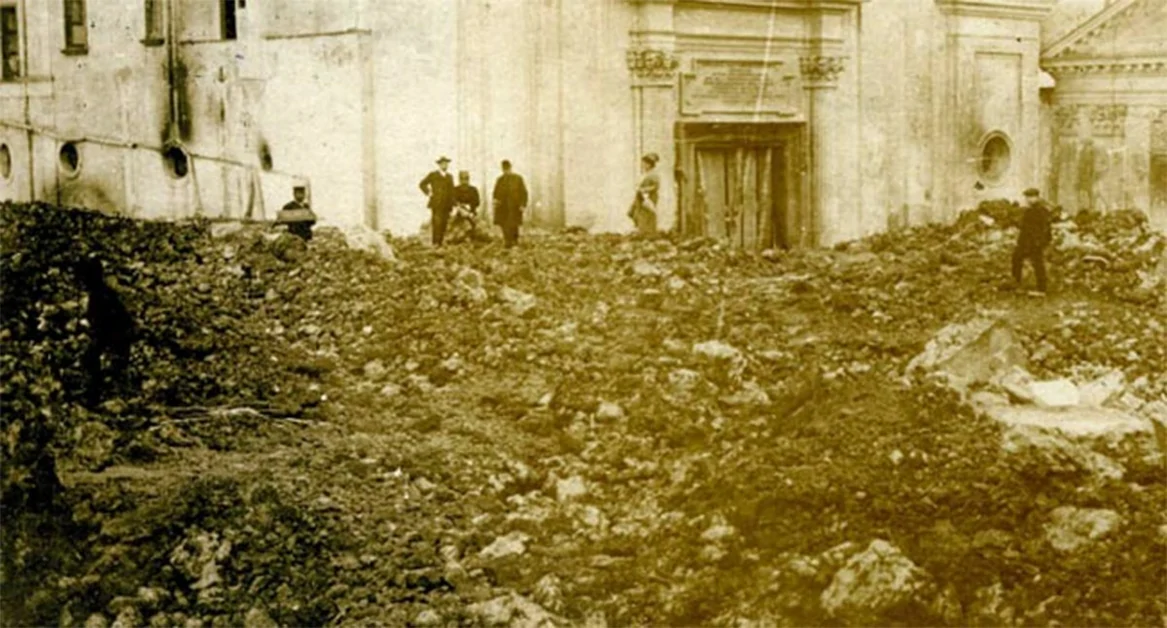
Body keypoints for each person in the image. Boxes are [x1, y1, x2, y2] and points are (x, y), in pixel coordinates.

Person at [74, 257, 135, 406]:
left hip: (115, 335)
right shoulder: (103, 292)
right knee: (95, 360)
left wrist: (90, 332)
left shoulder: (99, 296)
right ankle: (99, 394)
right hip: (117, 334)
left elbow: (103, 325)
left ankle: (94, 397)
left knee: (91, 359)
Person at [1013, 187, 1054, 295]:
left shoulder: (1040, 211)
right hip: (1029, 242)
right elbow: (1025, 229)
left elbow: (1045, 228)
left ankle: (1041, 288)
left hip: (1034, 242)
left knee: (1037, 263)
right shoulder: (1032, 210)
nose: (1028, 200)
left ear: (1036, 197)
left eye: (1030, 197)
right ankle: (1019, 283)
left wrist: (1040, 241)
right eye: (1027, 197)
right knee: (1018, 259)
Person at [419, 156, 456, 246]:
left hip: (446, 204)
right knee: (437, 223)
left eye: (446, 163)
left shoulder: (449, 177)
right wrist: (429, 193)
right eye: (442, 163)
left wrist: (453, 204)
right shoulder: (433, 175)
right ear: (439, 165)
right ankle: (435, 243)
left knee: (444, 223)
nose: (444, 165)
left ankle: (440, 243)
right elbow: (422, 184)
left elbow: (452, 191)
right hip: (437, 203)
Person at [492, 160, 528, 248]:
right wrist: (496, 201)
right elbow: (495, 193)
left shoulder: (518, 179)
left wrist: (523, 204)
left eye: (507, 168)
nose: (506, 171)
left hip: (515, 206)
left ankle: (515, 241)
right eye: (504, 169)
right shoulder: (500, 180)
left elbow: (524, 193)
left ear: (510, 168)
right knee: (504, 224)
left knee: (514, 224)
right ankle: (507, 241)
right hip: (503, 207)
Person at [628, 153, 660, 235]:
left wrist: (644, 190)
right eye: (643, 163)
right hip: (641, 197)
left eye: (645, 163)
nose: (643, 165)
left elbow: (655, 186)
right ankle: (641, 232)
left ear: (650, 165)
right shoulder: (645, 174)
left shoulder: (653, 174)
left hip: (648, 198)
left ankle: (648, 234)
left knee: (647, 215)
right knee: (637, 214)